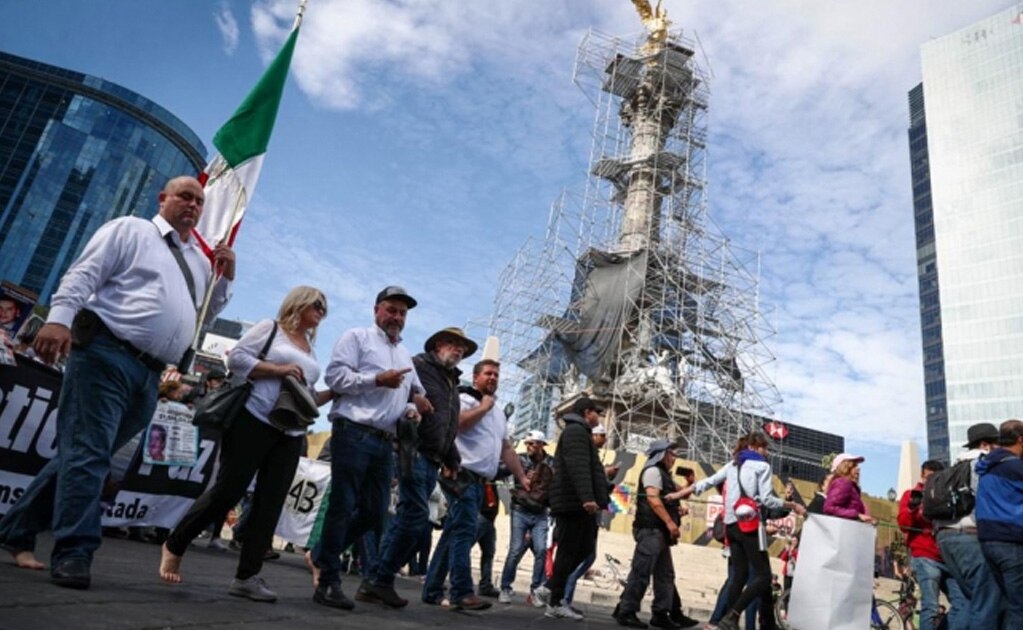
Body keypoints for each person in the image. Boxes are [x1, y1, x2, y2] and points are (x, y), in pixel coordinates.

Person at [0, 176, 234, 587]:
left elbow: (204, 316)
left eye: (199, 201)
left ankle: (15, 529)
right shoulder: (131, 229)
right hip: (104, 353)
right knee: (90, 454)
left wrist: (224, 277)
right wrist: (59, 318)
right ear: (162, 199)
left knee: (84, 454)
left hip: (150, 373)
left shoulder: (199, 262)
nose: (193, 205)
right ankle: (75, 551)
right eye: (185, 196)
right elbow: (84, 274)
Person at [159, 286, 333, 602]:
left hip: (291, 432)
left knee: (270, 503)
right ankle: (175, 543)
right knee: (229, 490)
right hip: (254, 419)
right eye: (317, 304)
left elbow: (305, 393)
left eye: (325, 307)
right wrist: (278, 369)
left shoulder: (310, 349)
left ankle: (247, 576)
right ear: (300, 303)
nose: (322, 311)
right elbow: (236, 359)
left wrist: (336, 392)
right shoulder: (271, 329)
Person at [311, 286, 426, 611]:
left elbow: (410, 395)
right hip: (353, 431)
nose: (397, 317)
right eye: (391, 310)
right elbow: (335, 378)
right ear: (377, 310)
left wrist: (411, 409)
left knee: (375, 512)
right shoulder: (356, 337)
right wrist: (377, 379)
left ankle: (321, 555)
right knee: (343, 504)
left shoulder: (405, 355)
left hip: (384, 441)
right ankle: (328, 581)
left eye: (402, 313)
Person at [359, 327, 475, 608]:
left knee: (408, 519)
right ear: (437, 345)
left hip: (432, 458)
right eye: (452, 343)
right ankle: (378, 577)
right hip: (413, 451)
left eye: (462, 347)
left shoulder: (451, 382)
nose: (458, 349)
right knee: (415, 515)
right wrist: (413, 402)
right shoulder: (418, 365)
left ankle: (377, 580)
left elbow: (445, 425)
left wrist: (452, 457)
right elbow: (401, 394)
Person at [422, 359, 529, 611]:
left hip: (481, 482)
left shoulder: (498, 413)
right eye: (488, 373)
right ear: (476, 377)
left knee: (454, 532)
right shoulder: (465, 399)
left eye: (496, 375)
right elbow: (457, 424)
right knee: (464, 531)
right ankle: (461, 591)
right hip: (462, 475)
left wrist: (522, 477)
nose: (493, 378)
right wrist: (483, 407)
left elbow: (506, 449)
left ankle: (432, 589)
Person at [682, 432, 805, 630]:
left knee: (739, 576)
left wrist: (681, 492)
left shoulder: (732, 465)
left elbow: (708, 482)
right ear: (755, 447)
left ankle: (731, 622)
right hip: (749, 527)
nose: (767, 453)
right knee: (763, 576)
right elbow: (766, 499)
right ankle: (731, 617)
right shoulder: (762, 467)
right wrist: (792, 505)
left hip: (731, 526)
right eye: (765, 448)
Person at [544, 397, 611, 621]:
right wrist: (587, 498)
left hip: (577, 502)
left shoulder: (580, 432)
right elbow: (578, 467)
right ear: (586, 413)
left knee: (583, 550)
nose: (599, 417)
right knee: (570, 550)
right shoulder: (576, 432)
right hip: (573, 503)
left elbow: (588, 469)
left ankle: (550, 590)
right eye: (596, 412)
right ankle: (553, 599)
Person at [932, 422, 1002, 630]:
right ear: (985, 445)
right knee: (987, 602)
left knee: (969, 601)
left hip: (944, 539)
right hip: (970, 538)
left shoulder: (952, 469)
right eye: (997, 443)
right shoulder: (981, 465)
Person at [613, 439, 689, 629]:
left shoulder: (664, 475)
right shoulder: (653, 472)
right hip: (651, 529)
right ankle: (626, 612)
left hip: (659, 532)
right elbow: (653, 500)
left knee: (665, 575)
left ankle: (661, 613)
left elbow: (683, 493)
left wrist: (691, 482)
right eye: (672, 454)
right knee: (641, 572)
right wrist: (670, 522)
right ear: (662, 454)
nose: (674, 458)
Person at [897, 459, 964, 630]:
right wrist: (913, 508)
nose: (931, 481)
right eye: (928, 478)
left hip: (946, 556)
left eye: (935, 478)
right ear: (922, 476)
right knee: (931, 605)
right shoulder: (912, 495)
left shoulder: (947, 495)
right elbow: (903, 524)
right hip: (924, 555)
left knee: (963, 603)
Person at [498, 429, 555, 606]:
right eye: (527, 443)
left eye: (532, 443)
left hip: (541, 512)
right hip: (520, 509)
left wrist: (542, 477)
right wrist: (520, 473)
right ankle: (505, 588)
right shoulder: (520, 459)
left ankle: (535, 591)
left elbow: (556, 481)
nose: (528, 446)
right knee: (515, 550)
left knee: (541, 550)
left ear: (541, 445)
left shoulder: (551, 462)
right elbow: (502, 470)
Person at [975, 419, 1023, 628]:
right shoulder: (1016, 467)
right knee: (1019, 608)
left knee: (1000, 605)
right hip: (1013, 542)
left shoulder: (986, 467)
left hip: (988, 541)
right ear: (1020, 439)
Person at [823, 453, 876, 524]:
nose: (858, 468)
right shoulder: (843, 483)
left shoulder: (851, 486)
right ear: (845, 468)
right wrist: (857, 515)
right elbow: (829, 508)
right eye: (854, 465)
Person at [475, 479, 500, 597]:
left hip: (489, 519)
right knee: (462, 548)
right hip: (480, 516)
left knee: (488, 552)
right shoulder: (480, 477)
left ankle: (485, 585)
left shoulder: (490, 479)